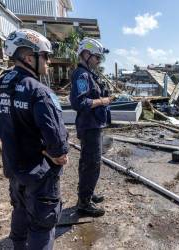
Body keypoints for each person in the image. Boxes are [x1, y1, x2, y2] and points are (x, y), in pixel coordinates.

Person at [0, 29, 69, 249]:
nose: (48, 62)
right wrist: (57, 154)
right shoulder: (39, 91)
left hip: (14, 169)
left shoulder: (2, 84)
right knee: (41, 226)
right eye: (45, 56)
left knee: (19, 213)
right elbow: (58, 144)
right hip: (38, 174)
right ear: (29, 58)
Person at [70, 38, 113, 217]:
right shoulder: (82, 75)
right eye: (96, 57)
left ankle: (87, 193)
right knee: (91, 164)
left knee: (89, 163)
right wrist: (103, 101)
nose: (98, 61)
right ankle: (84, 203)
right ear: (86, 54)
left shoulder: (89, 74)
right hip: (89, 126)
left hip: (94, 125)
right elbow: (79, 102)